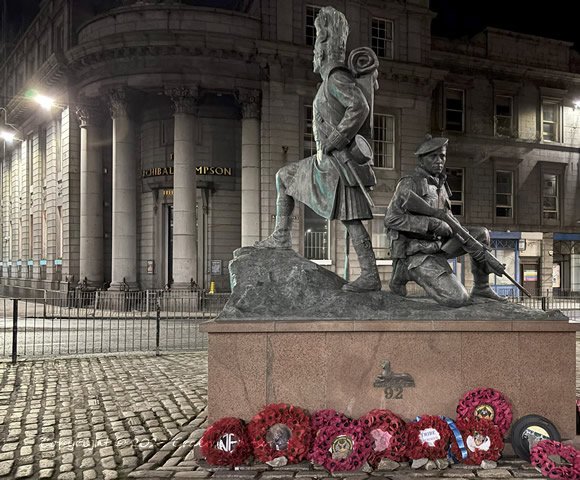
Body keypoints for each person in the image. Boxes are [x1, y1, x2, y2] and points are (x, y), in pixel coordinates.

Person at [255, 6, 381, 292]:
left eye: (318, 43)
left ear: (325, 49)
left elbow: (359, 106)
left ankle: (370, 275)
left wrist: (335, 140)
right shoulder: (327, 82)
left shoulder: (336, 78)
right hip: (327, 161)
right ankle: (282, 237)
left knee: (351, 219)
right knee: (285, 177)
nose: (315, 50)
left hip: (339, 162)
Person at [384, 135, 506, 307]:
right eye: (433, 156)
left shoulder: (441, 185)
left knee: (480, 234)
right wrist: (431, 224)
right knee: (458, 299)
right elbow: (391, 219)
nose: (439, 161)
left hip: (439, 247)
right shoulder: (409, 183)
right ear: (421, 159)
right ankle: (403, 271)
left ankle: (482, 288)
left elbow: (448, 217)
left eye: (442, 156)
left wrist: (470, 242)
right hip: (417, 253)